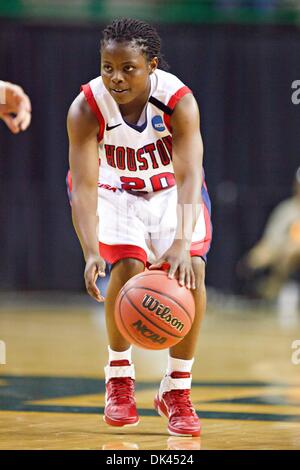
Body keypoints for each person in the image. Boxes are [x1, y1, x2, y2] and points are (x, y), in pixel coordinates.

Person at [67, 18, 212, 437]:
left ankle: (176, 390)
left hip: (170, 191)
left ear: (151, 64)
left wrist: (183, 244)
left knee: (192, 271)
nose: (115, 77)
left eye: (127, 67)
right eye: (107, 66)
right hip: (113, 191)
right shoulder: (86, 107)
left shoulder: (179, 101)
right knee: (128, 265)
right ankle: (118, 377)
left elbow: (190, 177)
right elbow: (84, 187)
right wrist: (91, 250)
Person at [240, 168, 300, 300]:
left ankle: (277, 288)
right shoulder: (286, 209)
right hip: (280, 251)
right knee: (254, 259)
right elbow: (271, 239)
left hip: (291, 256)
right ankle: (257, 295)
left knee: (291, 252)